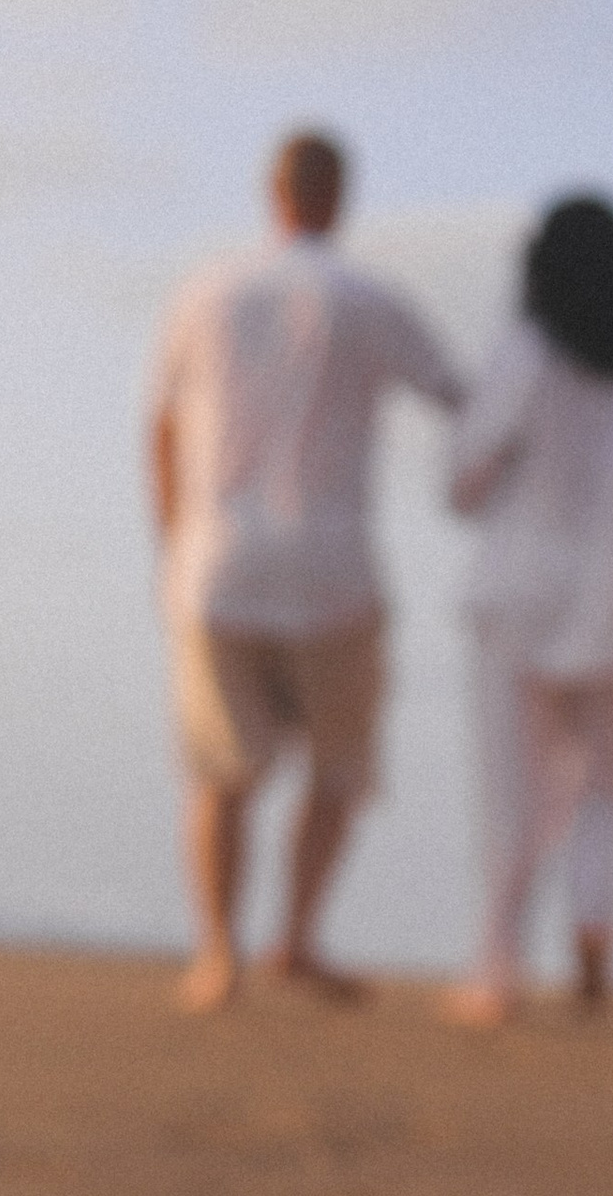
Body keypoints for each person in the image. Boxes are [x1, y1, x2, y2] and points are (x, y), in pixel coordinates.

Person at [148, 131, 464, 1011]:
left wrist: (172, 542)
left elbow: (163, 428)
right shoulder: (367, 300)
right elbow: (456, 395)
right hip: (332, 568)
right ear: (339, 197)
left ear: (272, 193)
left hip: (219, 563)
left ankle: (218, 955)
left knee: (220, 771)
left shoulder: (206, 291)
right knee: (338, 768)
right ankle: (296, 936)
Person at [442, 194, 613, 1024]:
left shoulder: (527, 353)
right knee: (606, 779)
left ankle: (498, 962)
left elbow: (465, 477)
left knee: (512, 784)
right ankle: (596, 924)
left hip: (523, 592)